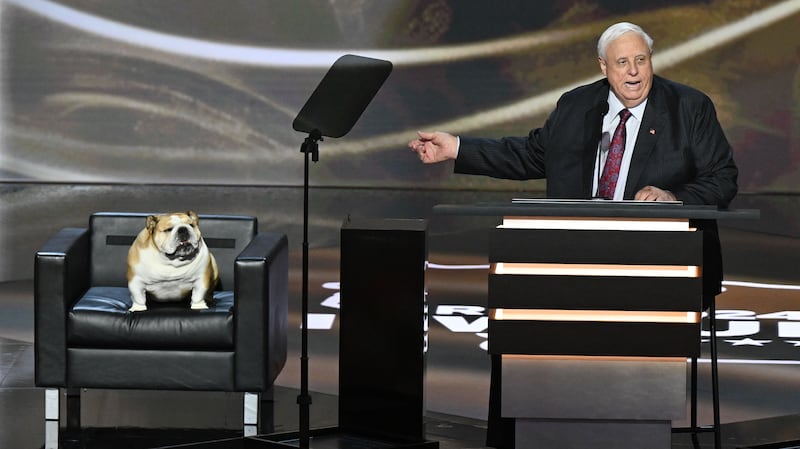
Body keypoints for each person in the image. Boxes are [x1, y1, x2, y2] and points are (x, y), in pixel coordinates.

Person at [408, 21, 738, 448]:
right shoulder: (575, 106)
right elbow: (530, 155)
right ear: (604, 66)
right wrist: (456, 147)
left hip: (658, 268)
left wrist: (674, 195)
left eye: (642, 60)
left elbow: (723, 178)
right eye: (623, 63)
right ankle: (523, 434)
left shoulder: (688, 107)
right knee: (519, 304)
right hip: (572, 259)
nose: (634, 72)